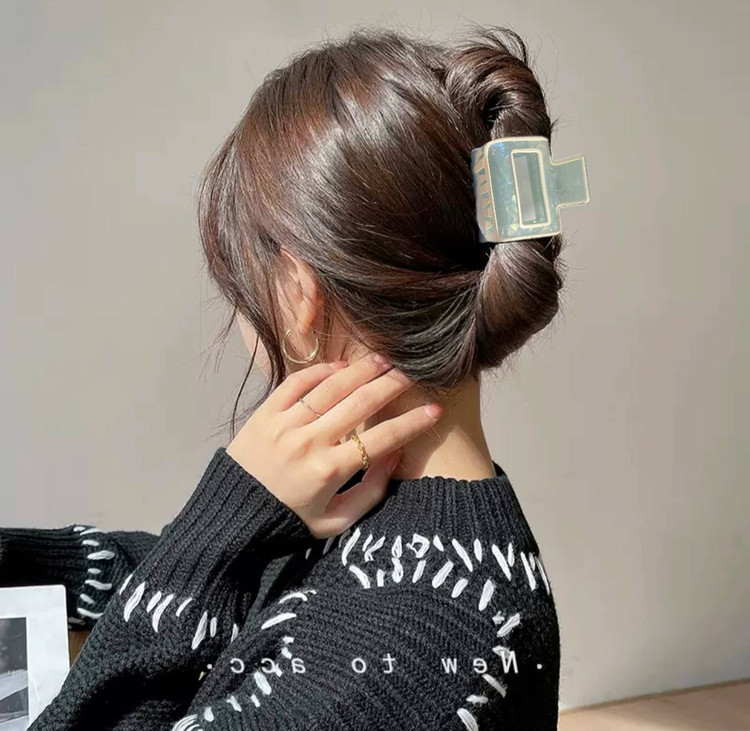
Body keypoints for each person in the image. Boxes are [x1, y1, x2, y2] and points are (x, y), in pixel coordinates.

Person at [0, 23, 575, 730]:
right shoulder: (391, 526)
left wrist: (224, 518)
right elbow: (242, 588)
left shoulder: (399, 659)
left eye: (241, 286)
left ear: (300, 295)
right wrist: (231, 522)